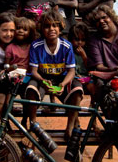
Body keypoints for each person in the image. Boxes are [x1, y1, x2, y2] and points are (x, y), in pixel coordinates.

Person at [26, 10, 83, 142]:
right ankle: (33, 125)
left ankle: (69, 127)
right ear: (41, 28)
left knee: (77, 90)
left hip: (60, 79)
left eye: (55, 25)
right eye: (47, 26)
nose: (51, 29)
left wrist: (62, 84)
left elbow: (71, 71)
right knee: (31, 89)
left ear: (60, 27)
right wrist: (43, 80)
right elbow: (34, 71)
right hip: (42, 79)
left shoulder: (66, 46)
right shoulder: (36, 45)